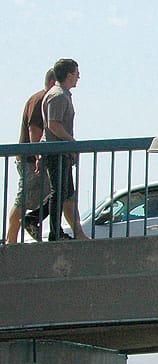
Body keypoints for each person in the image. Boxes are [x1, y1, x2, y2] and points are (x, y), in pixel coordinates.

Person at [22, 58, 88, 241]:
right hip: (56, 152)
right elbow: (53, 125)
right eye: (76, 73)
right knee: (59, 192)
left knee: (65, 192)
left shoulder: (61, 94)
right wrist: (71, 142)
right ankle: (53, 232)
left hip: (58, 151)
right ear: (68, 75)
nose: (78, 77)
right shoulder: (58, 95)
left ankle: (37, 219)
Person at [6, 69, 55, 244]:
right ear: (52, 83)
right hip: (31, 161)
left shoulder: (45, 100)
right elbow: (34, 131)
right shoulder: (40, 100)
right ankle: (11, 240)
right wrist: (38, 157)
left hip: (36, 159)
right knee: (24, 200)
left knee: (59, 194)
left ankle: (34, 224)